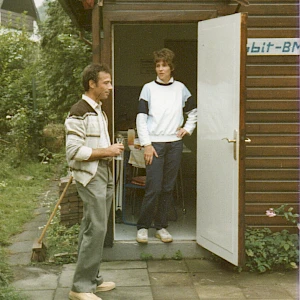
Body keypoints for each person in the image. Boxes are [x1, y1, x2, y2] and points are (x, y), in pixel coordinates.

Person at [65, 63, 124, 300]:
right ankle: (80, 288)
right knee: (97, 228)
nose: (110, 86)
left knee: (92, 226)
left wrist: (108, 154)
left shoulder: (99, 110)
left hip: (103, 172)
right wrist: (107, 151)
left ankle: (92, 278)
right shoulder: (78, 111)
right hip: (90, 176)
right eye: (106, 82)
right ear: (92, 84)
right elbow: (73, 151)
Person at [136, 48, 197, 244]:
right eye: (158, 65)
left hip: (175, 144)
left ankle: (161, 227)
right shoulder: (148, 89)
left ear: (171, 67)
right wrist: (146, 144)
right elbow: (141, 118)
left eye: (164, 65)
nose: (160, 69)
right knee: (153, 187)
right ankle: (143, 227)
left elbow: (194, 112)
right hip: (154, 145)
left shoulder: (181, 88)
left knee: (167, 187)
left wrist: (187, 128)